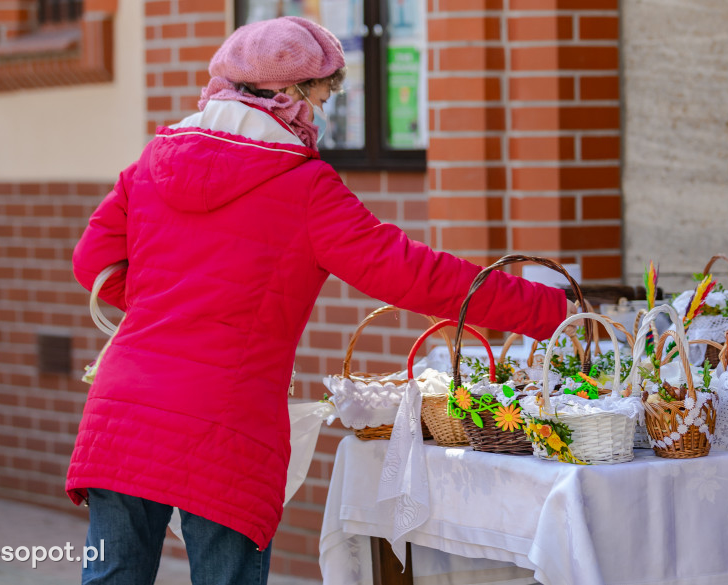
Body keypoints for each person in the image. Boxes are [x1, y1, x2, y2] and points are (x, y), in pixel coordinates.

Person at [69, 16, 572, 585]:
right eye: (326, 91)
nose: (328, 107)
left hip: (123, 410)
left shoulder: (151, 163)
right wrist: (549, 311)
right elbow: (414, 275)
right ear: (288, 97)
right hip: (224, 425)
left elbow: (92, 264)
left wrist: (167, 303)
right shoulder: (303, 186)